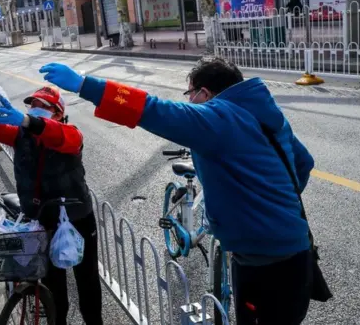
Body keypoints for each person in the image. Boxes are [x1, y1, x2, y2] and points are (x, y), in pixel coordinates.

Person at [40, 58, 314, 325]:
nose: (189, 101)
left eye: (190, 94)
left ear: (204, 93)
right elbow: (303, 163)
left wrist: (84, 85)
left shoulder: (218, 118)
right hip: (295, 250)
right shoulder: (263, 112)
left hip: (264, 261)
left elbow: (153, 109)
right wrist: (274, 204)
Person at [0, 86, 103, 325]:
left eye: (43, 106)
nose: (35, 109)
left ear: (58, 113)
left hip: (77, 218)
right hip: (43, 219)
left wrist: (27, 121)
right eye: (32, 104)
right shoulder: (19, 135)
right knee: (54, 285)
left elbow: (56, 136)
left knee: (87, 280)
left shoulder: (70, 134)